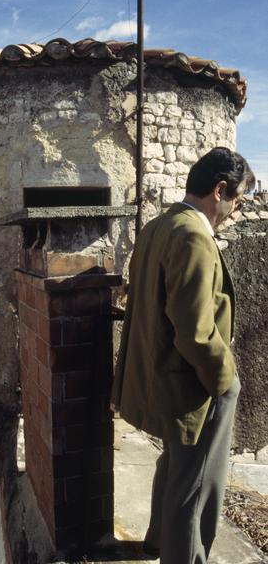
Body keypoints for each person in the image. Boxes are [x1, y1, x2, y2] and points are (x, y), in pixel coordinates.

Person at [111, 147, 255, 564]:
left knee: (174, 462)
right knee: (197, 484)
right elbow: (194, 332)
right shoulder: (193, 236)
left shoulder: (158, 226)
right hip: (193, 381)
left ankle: (158, 540)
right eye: (237, 200)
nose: (235, 209)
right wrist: (225, 378)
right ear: (219, 190)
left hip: (161, 375)